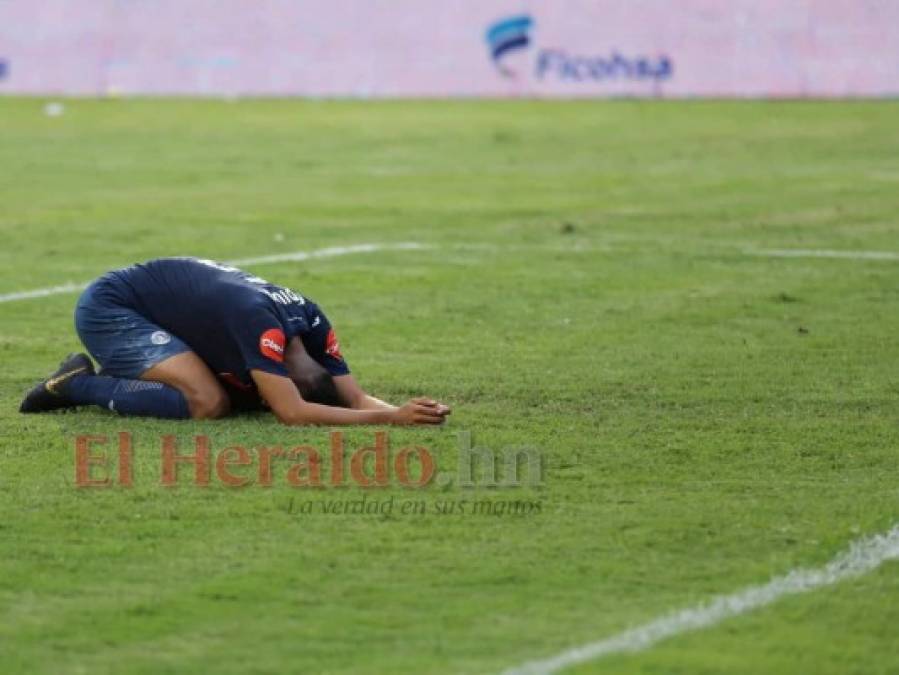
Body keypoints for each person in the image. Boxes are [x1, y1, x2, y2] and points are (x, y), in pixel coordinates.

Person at [20, 257, 451, 426]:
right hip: (112, 308)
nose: (267, 397)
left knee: (229, 394)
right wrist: (389, 420)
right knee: (210, 403)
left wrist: (410, 411)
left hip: (161, 306)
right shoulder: (261, 328)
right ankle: (76, 383)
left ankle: (137, 375)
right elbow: (293, 411)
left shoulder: (313, 321)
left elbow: (352, 398)